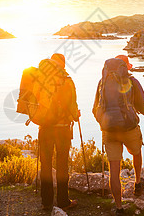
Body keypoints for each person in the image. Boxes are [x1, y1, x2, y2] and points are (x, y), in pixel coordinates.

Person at [93, 54, 144, 215]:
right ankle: (138, 182)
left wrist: (104, 124)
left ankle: (119, 207)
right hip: (129, 129)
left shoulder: (102, 82)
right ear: (125, 67)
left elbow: (95, 109)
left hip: (109, 131)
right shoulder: (132, 82)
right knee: (136, 152)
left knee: (114, 168)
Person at [38, 53, 79, 211]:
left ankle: (46, 202)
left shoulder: (41, 80)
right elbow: (72, 108)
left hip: (45, 128)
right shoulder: (67, 81)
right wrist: (76, 115)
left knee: (46, 164)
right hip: (62, 129)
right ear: (62, 65)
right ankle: (63, 201)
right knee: (62, 165)